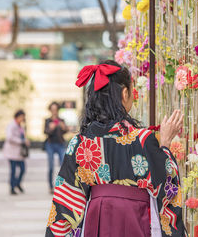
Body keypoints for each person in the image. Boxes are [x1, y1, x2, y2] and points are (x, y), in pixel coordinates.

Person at [45, 61, 186, 237]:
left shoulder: (80, 143)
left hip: (96, 222)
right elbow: (165, 184)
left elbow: (65, 201)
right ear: (124, 93)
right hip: (135, 220)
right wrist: (164, 144)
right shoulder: (142, 139)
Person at [3, 110, 29, 195]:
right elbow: (9, 138)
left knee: (22, 169)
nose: (22, 119)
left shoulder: (20, 126)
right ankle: (12, 187)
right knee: (13, 170)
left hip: (19, 153)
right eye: (21, 117)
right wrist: (21, 141)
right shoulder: (12, 125)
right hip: (12, 152)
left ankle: (17, 183)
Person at [44, 102, 68, 194]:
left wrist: (63, 127)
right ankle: (50, 186)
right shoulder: (48, 120)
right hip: (50, 145)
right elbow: (45, 131)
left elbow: (66, 131)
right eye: (52, 109)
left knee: (62, 165)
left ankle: (62, 186)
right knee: (51, 166)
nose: (54, 111)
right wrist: (51, 128)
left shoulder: (61, 120)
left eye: (55, 109)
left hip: (60, 144)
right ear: (50, 110)